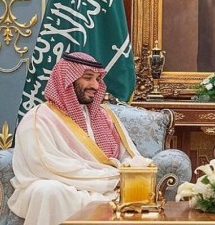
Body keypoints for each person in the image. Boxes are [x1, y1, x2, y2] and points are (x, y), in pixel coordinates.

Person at [8, 52, 142, 225]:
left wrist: (135, 169)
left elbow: (129, 157)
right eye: (88, 78)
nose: (95, 85)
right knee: (48, 191)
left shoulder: (105, 115)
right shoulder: (39, 118)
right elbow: (46, 166)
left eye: (98, 79)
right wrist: (110, 178)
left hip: (107, 187)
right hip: (62, 184)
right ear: (67, 79)